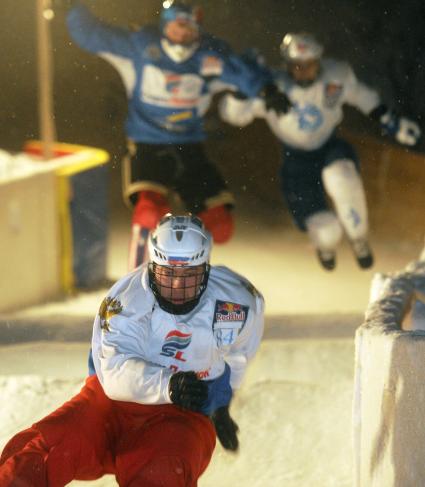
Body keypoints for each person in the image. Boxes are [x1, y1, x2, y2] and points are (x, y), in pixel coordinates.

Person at [0, 214, 265, 486]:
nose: (176, 287)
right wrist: (169, 385)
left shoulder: (237, 304)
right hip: (109, 405)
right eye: (167, 274)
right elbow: (114, 375)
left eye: (188, 275)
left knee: (162, 471)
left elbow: (238, 355)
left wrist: (220, 404)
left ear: (205, 270)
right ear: (152, 266)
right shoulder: (125, 302)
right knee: (48, 448)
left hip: (183, 412)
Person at [59, 0, 290, 269]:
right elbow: (94, 35)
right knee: (148, 211)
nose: (182, 35)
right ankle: (138, 280)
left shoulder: (208, 55)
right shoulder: (142, 46)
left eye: (188, 29)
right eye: (177, 28)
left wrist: (267, 89)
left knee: (221, 225)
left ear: (198, 29)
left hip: (189, 147)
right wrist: (73, 9)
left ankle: (191, 275)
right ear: (165, 26)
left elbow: (241, 71)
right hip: (148, 145)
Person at [219, 32, 422, 270]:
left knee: (342, 175)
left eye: (309, 64)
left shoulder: (336, 77)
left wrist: (391, 121)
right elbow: (233, 115)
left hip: (329, 146)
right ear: (287, 65)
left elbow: (362, 96)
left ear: (319, 61)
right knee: (327, 230)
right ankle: (325, 245)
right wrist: (243, 90)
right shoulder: (273, 87)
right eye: (297, 65)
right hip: (296, 160)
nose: (303, 71)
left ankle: (358, 237)